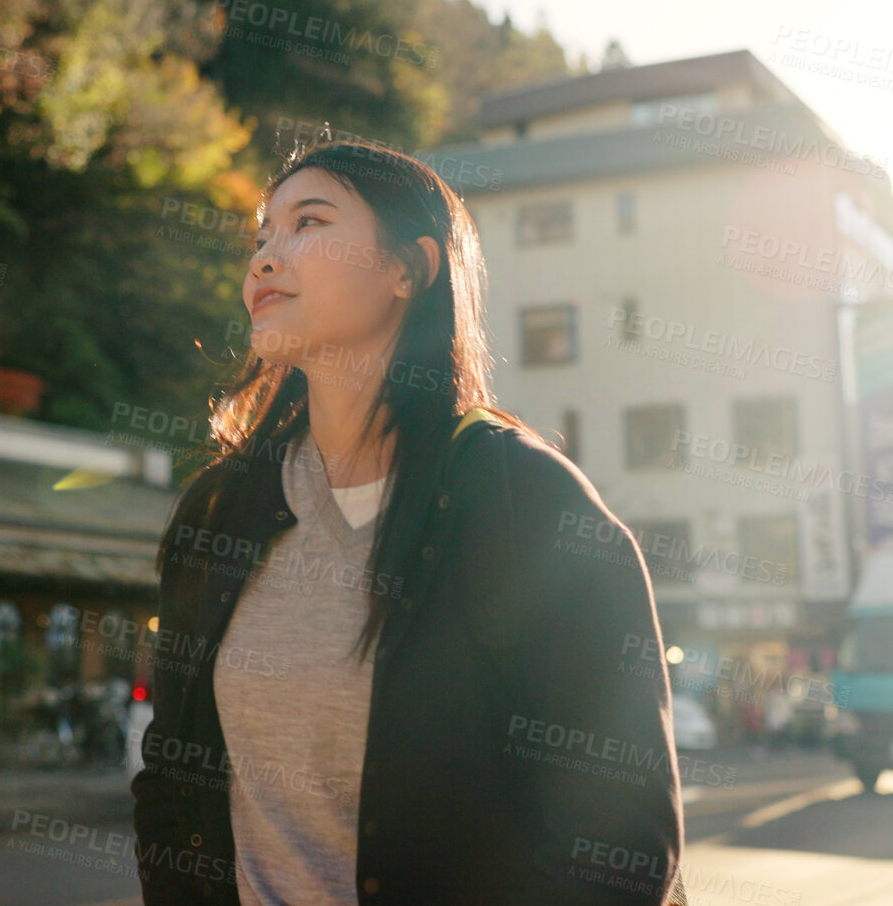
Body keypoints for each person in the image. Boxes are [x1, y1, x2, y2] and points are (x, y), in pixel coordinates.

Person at [130, 139, 685, 904]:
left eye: (308, 222)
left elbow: (618, 838)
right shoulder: (222, 508)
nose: (264, 257)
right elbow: (170, 776)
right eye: (262, 235)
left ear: (407, 269)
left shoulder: (523, 501)